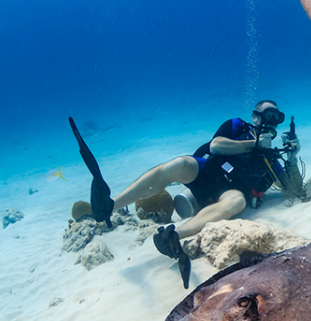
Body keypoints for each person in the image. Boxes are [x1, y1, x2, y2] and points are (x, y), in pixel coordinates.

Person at [72, 99, 298, 288]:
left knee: (238, 202)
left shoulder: (271, 157)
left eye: (275, 117)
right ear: (255, 117)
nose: (270, 121)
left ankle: (173, 235)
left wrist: (292, 156)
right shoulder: (237, 126)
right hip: (207, 173)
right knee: (179, 163)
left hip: (227, 192)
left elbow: (292, 188)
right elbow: (216, 146)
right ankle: (110, 205)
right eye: (267, 114)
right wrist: (253, 143)